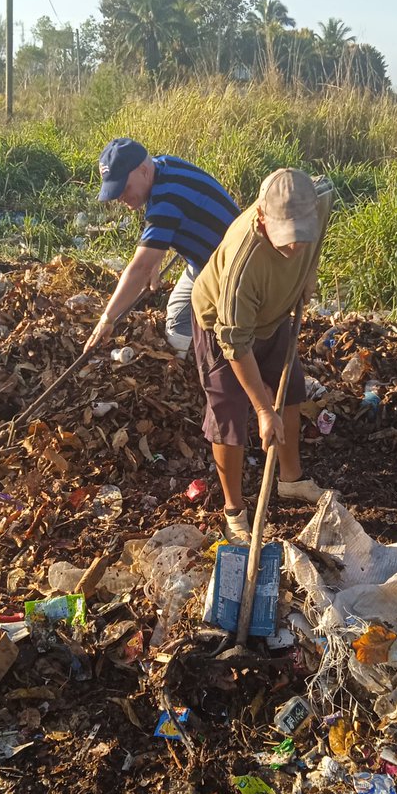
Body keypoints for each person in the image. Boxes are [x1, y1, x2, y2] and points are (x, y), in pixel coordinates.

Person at [191, 167, 333, 543]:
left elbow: (316, 236)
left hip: (274, 316)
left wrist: (308, 276)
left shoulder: (317, 202)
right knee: (230, 415)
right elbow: (235, 341)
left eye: (300, 237)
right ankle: (234, 509)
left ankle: (290, 481)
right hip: (223, 328)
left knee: (291, 390)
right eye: (286, 238)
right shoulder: (245, 259)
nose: (294, 247)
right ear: (261, 217)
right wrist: (263, 410)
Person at [84, 138, 239, 356]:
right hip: (213, 257)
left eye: (124, 188)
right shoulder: (164, 167)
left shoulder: (166, 198)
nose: (120, 197)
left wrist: (107, 319)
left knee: (181, 319)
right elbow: (163, 232)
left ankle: (186, 363)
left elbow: (140, 268)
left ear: (143, 171)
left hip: (232, 270)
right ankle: (194, 353)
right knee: (179, 309)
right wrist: (155, 262)